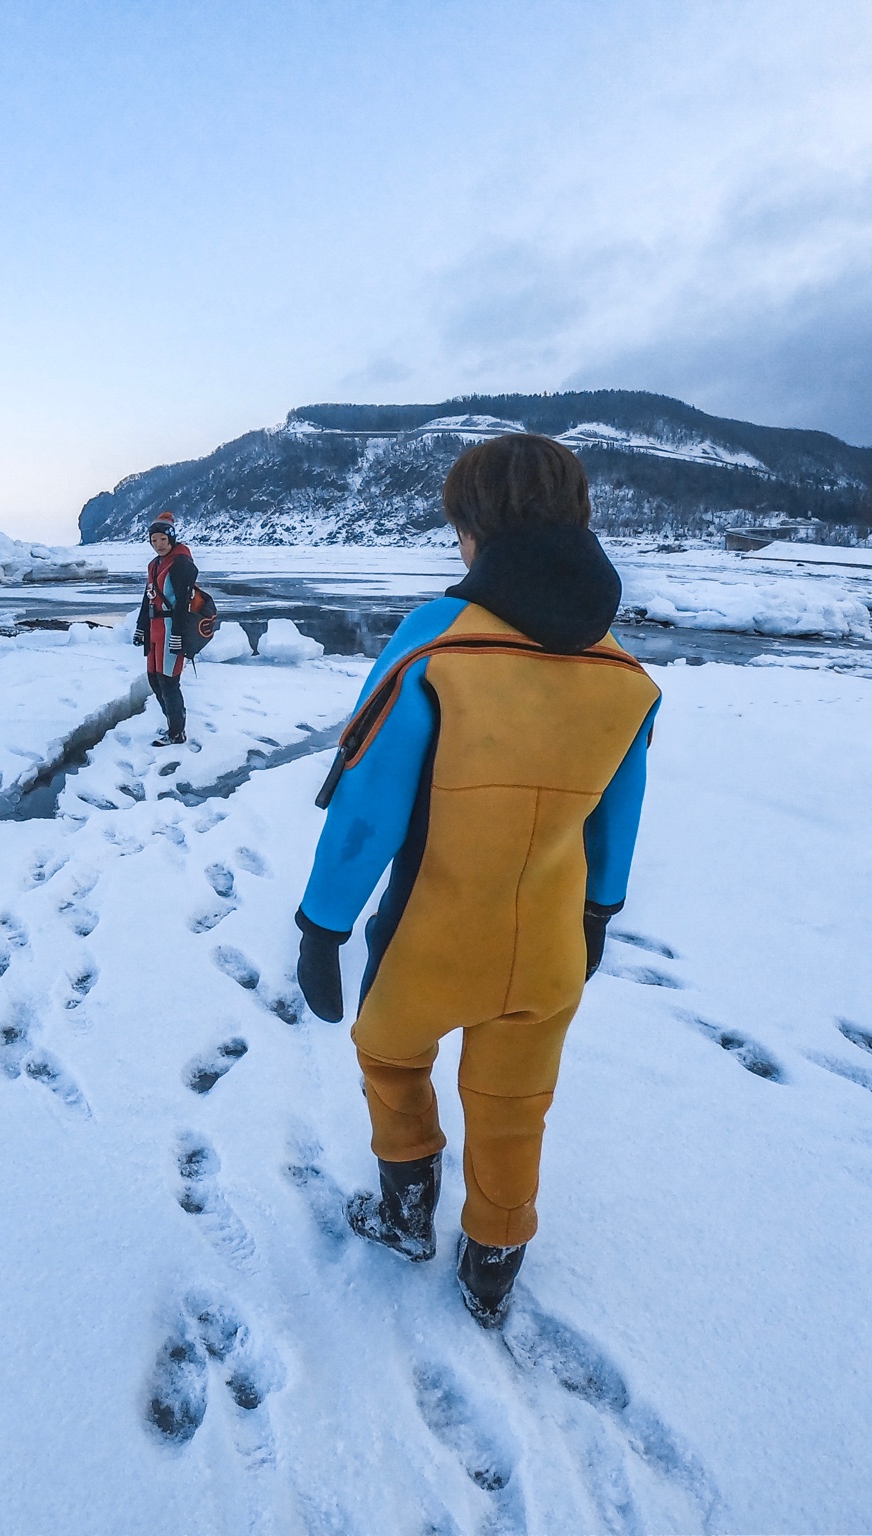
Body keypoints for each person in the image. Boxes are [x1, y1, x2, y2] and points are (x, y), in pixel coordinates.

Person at [292, 434, 661, 1328]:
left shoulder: (436, 643)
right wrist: (599, 912)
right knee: (514, 1101)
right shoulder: (622, 671)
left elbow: (370, 805)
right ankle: (492, 1264)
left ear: (477, 529)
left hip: (429, 933)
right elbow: (621, 812)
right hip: (547, 945)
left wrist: (322, 923)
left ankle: (406, 1210)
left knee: (389, 1053)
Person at [134, 511, 198, 746]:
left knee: (169, 682)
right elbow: (147, 599)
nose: (158, 545)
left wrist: (179, 636)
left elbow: (182, 602)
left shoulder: (181, 563)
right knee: (154, 679)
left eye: (162, 539)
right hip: (155, 630)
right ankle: (172, 723)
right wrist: (141, 628)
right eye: (154, 541)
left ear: (171, 537)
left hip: (172, 629)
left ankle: (177, 733)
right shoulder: (154, 565)